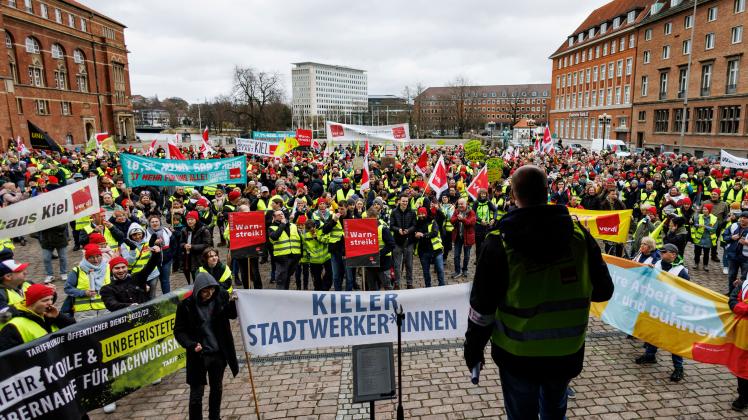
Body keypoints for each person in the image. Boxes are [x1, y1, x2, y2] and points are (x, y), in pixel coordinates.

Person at [464, 165, 614, 420]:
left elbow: (482, 308)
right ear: (548, 192)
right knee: (555, 411)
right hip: (566, 352)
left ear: (513, 195)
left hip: (517, 355)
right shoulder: (579, 236)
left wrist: (473, 349)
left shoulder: (499, 242)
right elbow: (603, 291)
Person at [174, 272, 239, 420]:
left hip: (218, 354)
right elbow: (179, 331)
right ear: (197, 290)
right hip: (198, 356)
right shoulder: (186, 306)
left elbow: (232, 315)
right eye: (205, 291)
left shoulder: (220, 297)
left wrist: (233, 303)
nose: (209, 294)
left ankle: (215, 417)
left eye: (212, 290)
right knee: (196, 395)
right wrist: (191, 344)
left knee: (216, 389)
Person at [635, 243, 688, 382]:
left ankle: (678, 367)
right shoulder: (658, 263)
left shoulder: (681, 271)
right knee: (653, 331)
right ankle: (650, 355)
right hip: (656, 306)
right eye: (661, 251)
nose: (661, 254)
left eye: (665, 252)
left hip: (671, 310)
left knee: (673, 339)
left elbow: (686, 292)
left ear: (673, 255)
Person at [0, 284, 75, 352]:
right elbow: (7, 357)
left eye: (51, 299)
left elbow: (75, 330)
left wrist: (58, 316)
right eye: (45, 300)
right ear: (32, 303)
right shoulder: (13, 326)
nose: (50, 303)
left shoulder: (50, 314)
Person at [64, 244, 110, 321]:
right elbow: (68, 288)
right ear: (86, 258)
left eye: (98, 256)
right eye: (92, 257)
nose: (96, 260)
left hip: (106, 309)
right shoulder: (77, 270)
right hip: (84, 313)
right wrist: (84, 292)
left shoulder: (107, 268)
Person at [727, 276, 748, 411]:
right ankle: (743, 396)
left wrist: (740, 307)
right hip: (743, 333)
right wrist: (741, 307)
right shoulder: (744, 283)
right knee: (742, 365)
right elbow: (732, 300)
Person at [268, 209, 302, 290]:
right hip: (281, 257)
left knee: (287, 277)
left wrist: (301, 255)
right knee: (281, 278)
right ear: (274, 217)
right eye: (278, 215)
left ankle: (285, 294)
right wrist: (282, 224)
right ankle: (280, 296)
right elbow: (274, 237)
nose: (281, 215)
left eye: (282, 214)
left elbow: (300, 240)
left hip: (294, 256)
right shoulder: (271, 227)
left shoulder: (293, 226)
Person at [414, 206, 445, 287]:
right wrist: (415, 235)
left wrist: (423, 235)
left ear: (426, 214)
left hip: (436, 250)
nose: (421, 215)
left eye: (423, 214)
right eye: (419, 214)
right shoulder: (416, 223)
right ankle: (428, 287)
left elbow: (435, 232)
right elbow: (415, 235)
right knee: (426, 272)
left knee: (440, 270)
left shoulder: (432, 221)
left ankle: (442, 286)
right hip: (423, 251)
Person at [390, 195, 416, 289]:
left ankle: (409, 283)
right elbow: (391, 226)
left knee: (409, 264)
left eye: (406, 201)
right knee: (397, 265)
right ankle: (397, 283)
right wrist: (398, 230)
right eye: (403, 201)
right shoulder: (394, 212)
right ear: (399, 201)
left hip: (408, 242)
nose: (405, 203)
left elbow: (414, 225)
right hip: (397, 242)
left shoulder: (412, 212)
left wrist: (408, 230)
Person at [180, 211, 213, 284]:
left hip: (201, 258)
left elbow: (207, 244)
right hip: (188, 258)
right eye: (188, 219)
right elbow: (181, 243)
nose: (189, 221)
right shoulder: (184, 230)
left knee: (202, 278)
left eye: (192, 219)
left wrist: (192, 247)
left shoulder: (204, 230)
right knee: (194, 277)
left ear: (196, 219)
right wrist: (184, 245)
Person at [724, 211, 748, 295]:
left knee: (744, 278)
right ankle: (731, 293)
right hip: (733, 256)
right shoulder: (734, 226)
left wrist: (746, 243)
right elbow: (724, 236)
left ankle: (740, 295)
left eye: (745, 218)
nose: (742, 219)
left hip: (745, 258)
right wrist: (731, 237)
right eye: (741, 217)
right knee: (731, 276)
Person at [451, 198, 476, 279]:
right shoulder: (456, 211)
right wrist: (457, 219)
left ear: (466, 204)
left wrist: (463, 219)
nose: (460, 205)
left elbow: (471, 223)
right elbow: (451, 220)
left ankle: (465, 269)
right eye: (459, 204)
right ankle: (457, 271)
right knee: (456, 255)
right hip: (458, 237)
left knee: (467, 256)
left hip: (467, 237)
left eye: (462, 204)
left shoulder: (471, 212)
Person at [692, 203, 718, 271]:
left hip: (708, 239)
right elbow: (695, 224)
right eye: (703, 209)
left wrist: (704, 226)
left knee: (706, 253)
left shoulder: (714, 218)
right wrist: (698, 225)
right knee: (697, 252)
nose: (703, 210)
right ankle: (696, 263)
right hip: (699, 238)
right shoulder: (699, 216)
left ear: (709, 210)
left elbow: (714, 229)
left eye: (705, 209)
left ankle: (705, 265)